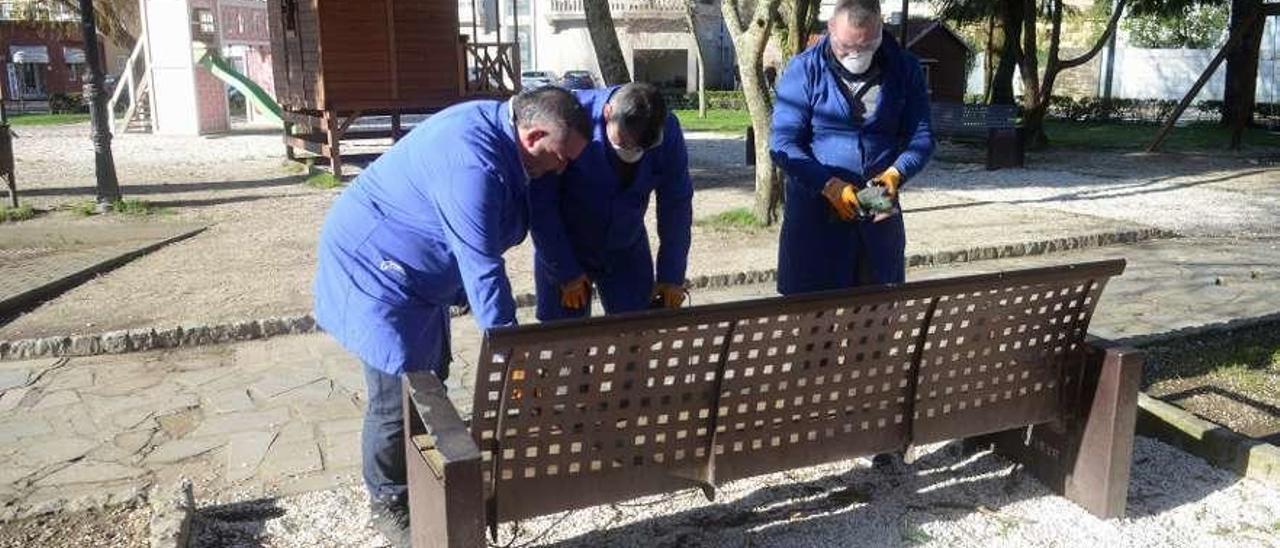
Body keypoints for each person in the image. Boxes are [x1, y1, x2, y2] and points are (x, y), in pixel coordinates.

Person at [312, 87, 591, 547]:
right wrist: (511, 357)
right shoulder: (471, 163)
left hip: (421, 278)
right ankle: (390, 503)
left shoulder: (510, 139)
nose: (562, 167)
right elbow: (482, 265)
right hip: (375, 269)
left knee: (431, 381)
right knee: (397, 396)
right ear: (533, 133)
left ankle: (426, 476)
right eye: (559, 156)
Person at [770, 0, 935, 295]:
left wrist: (897, 173)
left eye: (867, 45)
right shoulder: (804, 69)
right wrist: (828, 185)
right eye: (846, 46)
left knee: (873, 327)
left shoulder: (905, 68)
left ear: (881, 31)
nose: (856, 54)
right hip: (814, 219)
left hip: (878, 214)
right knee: (816, 331)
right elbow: (783, 144)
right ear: (830, 28)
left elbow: (921, 138)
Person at [529, 82, 693, 320]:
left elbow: (676, 204)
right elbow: (541, 204)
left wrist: (671, 275)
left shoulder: (667, 130)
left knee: (638, 336)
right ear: (608, 114)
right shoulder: (568, 118)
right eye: (625, 143)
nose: (633, 152)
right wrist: (564, 270)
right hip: (566, 245)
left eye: (641, 148)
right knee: (563, 344)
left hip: (626, 248)